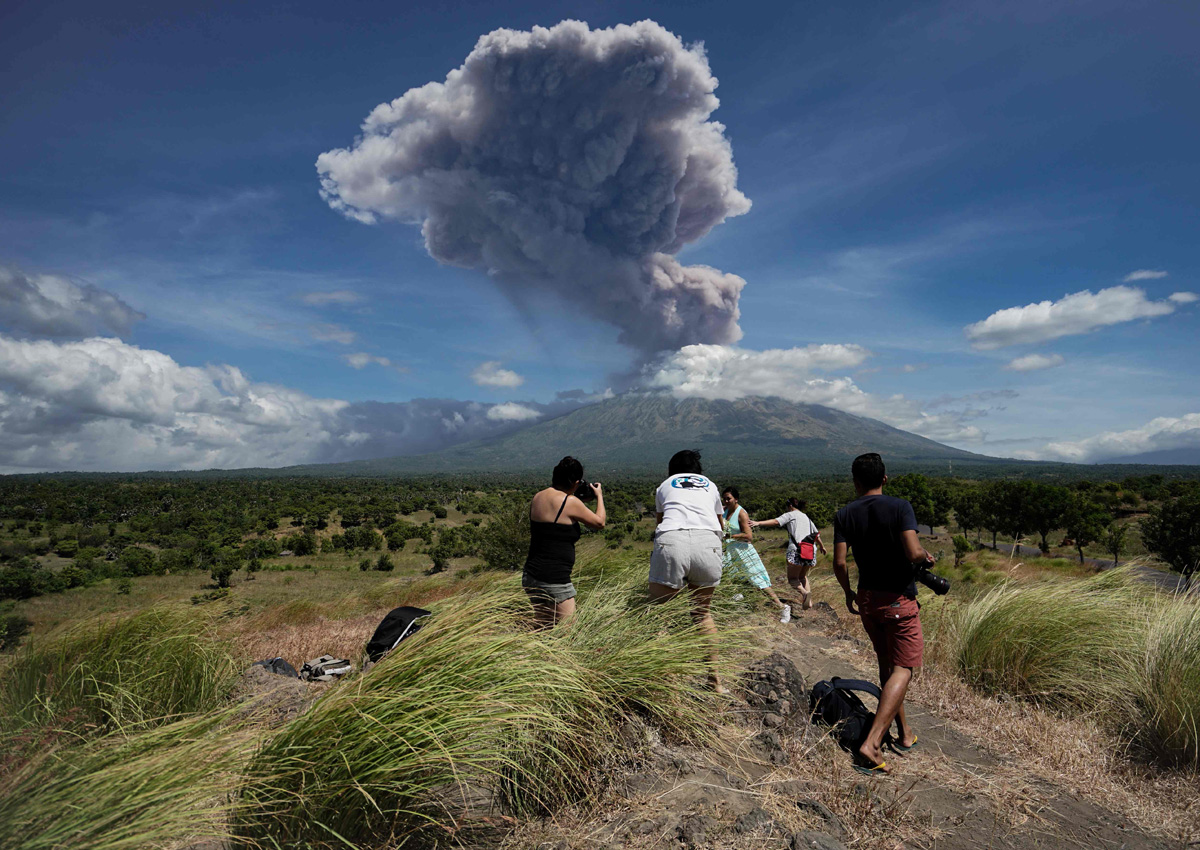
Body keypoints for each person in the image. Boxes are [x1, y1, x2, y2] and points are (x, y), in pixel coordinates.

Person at [831, 453, 930, 775]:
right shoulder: (900, 507)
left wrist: (848, 593)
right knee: (904, 668)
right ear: (884, 479)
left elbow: (840, 563)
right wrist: (926, 557)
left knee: (887, 666)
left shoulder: (844, 513)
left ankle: (904, 734)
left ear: (855, 481)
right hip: (898, 600)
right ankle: (872, 744)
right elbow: (914, 552)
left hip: (868, 599)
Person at [649, 449, 726, 692]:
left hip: (673, 540)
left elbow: (661, 522)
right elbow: (720, 524)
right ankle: (714, 682)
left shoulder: (664, 485)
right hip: (709, 544)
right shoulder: (710, 486)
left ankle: (666, 685)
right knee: (702, 615)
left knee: (659, 615)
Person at [523, 456, 605, 628]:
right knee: (567, 632)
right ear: (576, 481)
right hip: (554, 578)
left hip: (532, 574)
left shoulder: (538, 496)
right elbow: (599, 522)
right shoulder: (570, 502)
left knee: (543, 628)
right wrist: (599, 496)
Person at [720, 486, 791, 623]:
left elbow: (748, 536)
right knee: (731, 577)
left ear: (736, 499)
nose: (726, 501)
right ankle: (739, 599)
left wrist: (728, 536)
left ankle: (782, 607)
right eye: (724, 499)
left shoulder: (741, 514)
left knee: (758, 580)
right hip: (730, 551)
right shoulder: (724, 510)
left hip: (743, 550)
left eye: (729, 498)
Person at [750, 497, 827, 610]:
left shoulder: (790, 514)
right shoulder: (806, 517)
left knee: (793, 579)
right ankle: (809, 601)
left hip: (797, 549)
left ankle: (805, 594)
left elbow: (776, 521)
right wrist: (822, 546)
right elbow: (816, 535)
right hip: (810, 550)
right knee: (802, 576)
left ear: (790, 506)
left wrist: (758, 523)